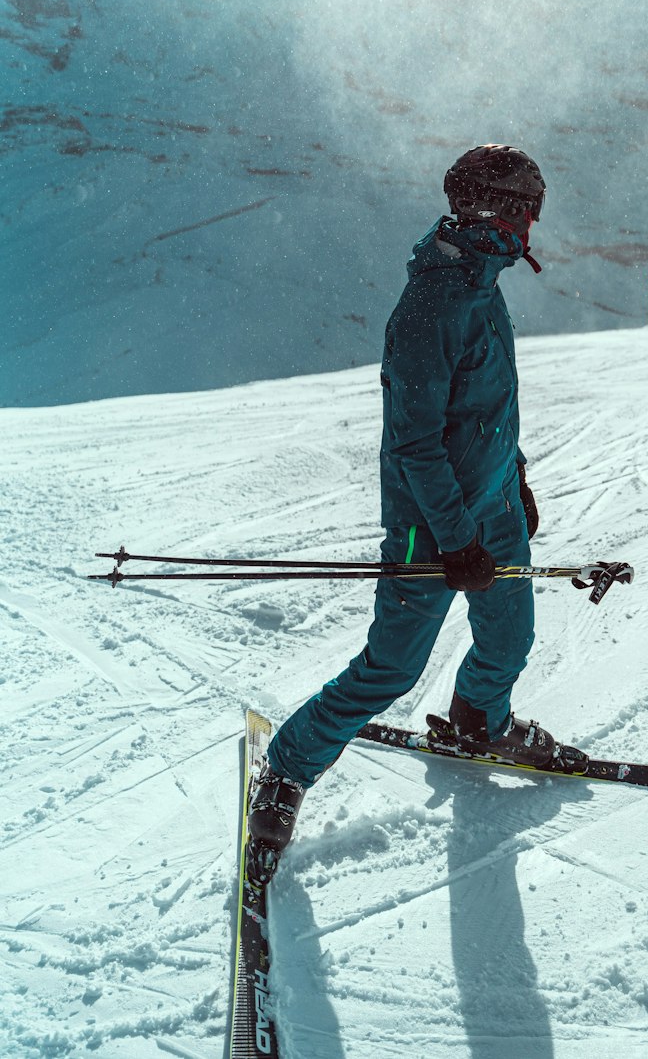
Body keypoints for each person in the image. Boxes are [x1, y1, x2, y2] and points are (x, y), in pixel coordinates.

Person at [247, 144, 563, 884]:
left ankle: (479, 721)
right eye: (525, 211)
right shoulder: (434, 305)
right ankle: (287, 770)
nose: (531, 228)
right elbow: (415, 446)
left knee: (510, 635)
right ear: (496, 211)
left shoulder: (483, 284)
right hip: (432, 527)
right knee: (390, 669)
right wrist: (454, 543)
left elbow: (490, 409)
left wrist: (513, 481)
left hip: (490, 511)